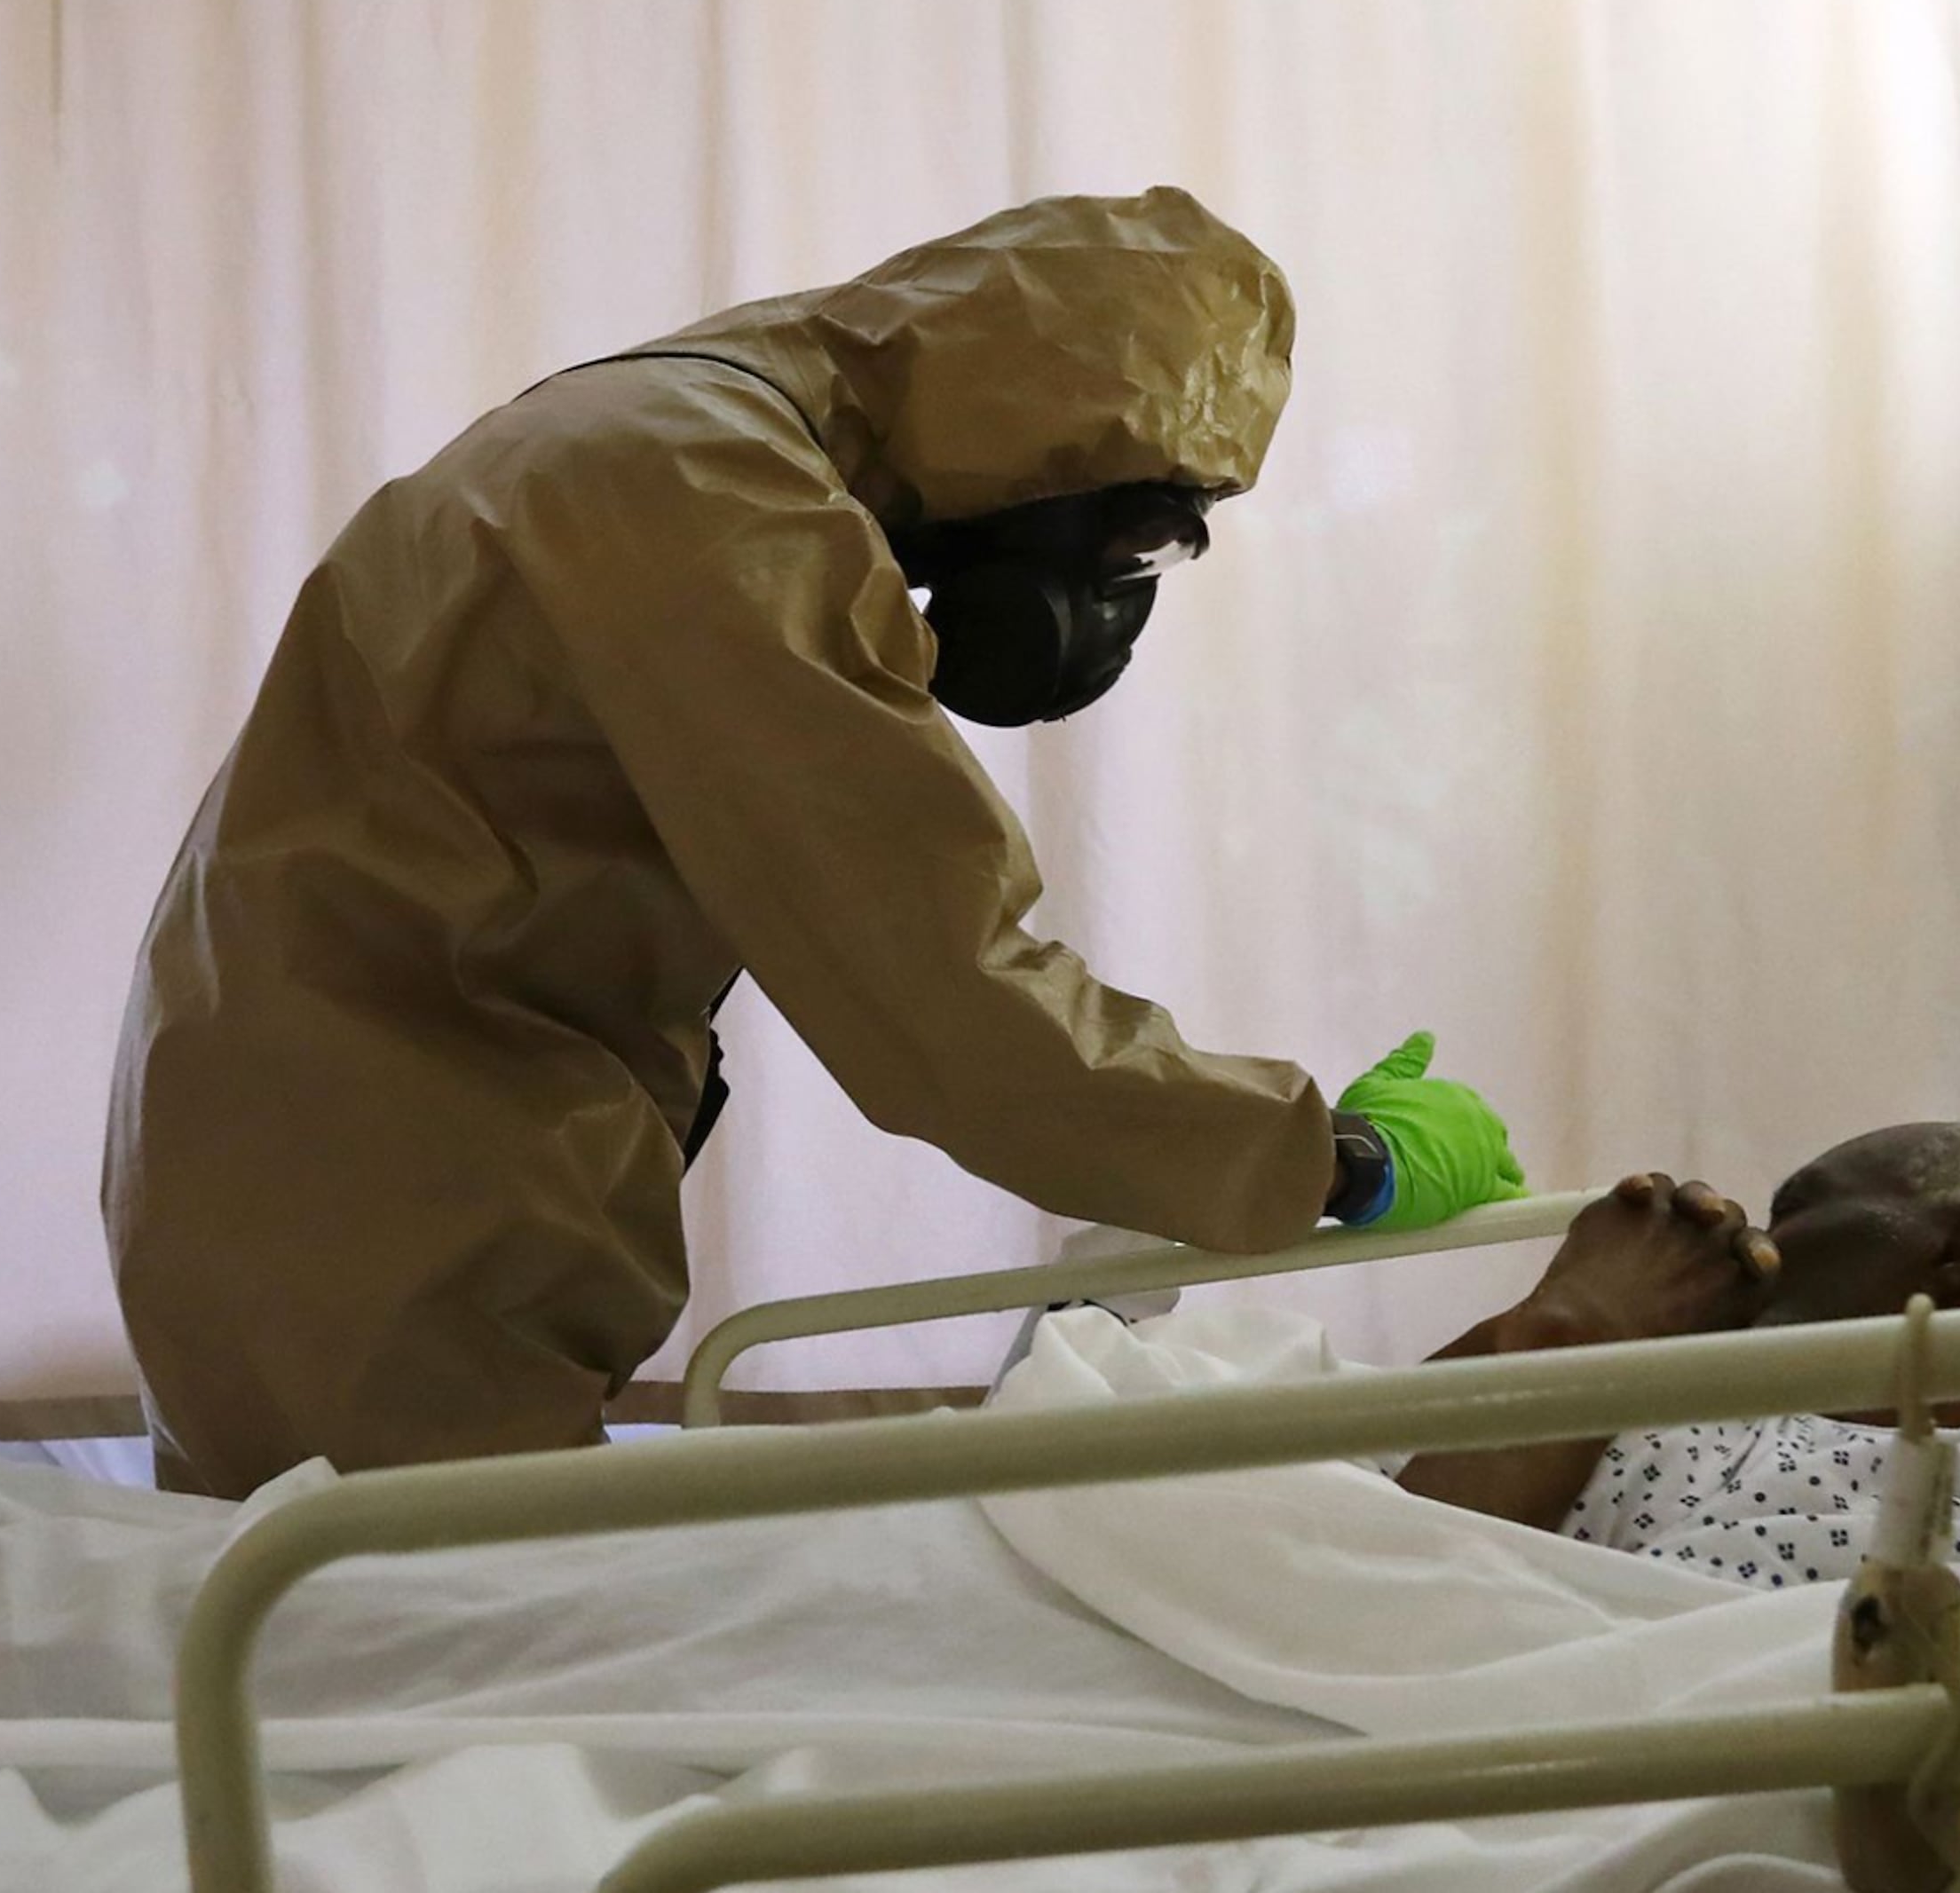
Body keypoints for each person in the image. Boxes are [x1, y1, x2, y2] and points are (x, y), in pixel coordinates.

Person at [105, 188, 1525, 1497]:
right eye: (1130, 546)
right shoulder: (714, 503)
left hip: (313, 1179)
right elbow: (948, 999)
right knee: (438, 1695)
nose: (1114, 603)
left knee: (337, 1662)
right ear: (1040, 433)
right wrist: (1326, 1164)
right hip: (379, 1215)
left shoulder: (648, 429)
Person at [1395, 1124, 1960, 1587]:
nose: (1756, 1249)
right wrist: (1561, 1321)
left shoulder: (1927, 1550)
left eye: (1797, 1211)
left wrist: (1578, 1329)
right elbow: (1376, 1452)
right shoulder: (1738, 1417)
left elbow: (1401, 1633)